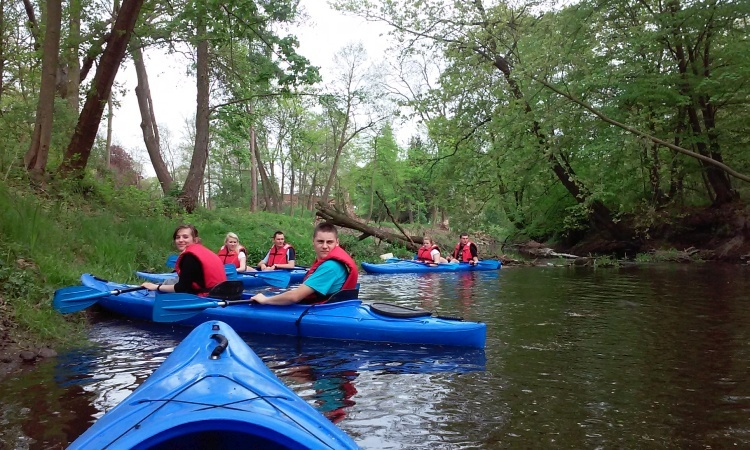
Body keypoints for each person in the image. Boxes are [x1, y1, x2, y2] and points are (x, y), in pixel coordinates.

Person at [251, 222, 358, 305]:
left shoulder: (330, 267)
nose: (325, 246)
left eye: (329, 242)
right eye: (320, 241)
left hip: (323, 312)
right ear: (313, 241)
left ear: (337, 243)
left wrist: (265, 300)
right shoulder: (329, 263)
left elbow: (294, 297)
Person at [141, 224, 227, 296]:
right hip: (221, 293)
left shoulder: (189, 257)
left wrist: (156, 287)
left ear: (195, 240)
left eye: (185, 237)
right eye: (178, 237)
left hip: (206, 297)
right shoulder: (206, 251)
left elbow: (181, 288)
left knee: (164, 287)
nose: (180, 240)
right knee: (171, 281)